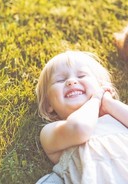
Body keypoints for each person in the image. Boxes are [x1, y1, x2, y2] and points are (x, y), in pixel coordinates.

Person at [35, 51, 128, 184]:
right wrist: (95, 100)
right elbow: (80, 129)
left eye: (82, 75)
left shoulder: (116, 118)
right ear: (49, 104)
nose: (71, 81)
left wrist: (109, 103)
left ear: (100, 87)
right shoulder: (53, 130)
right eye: (60, 80)